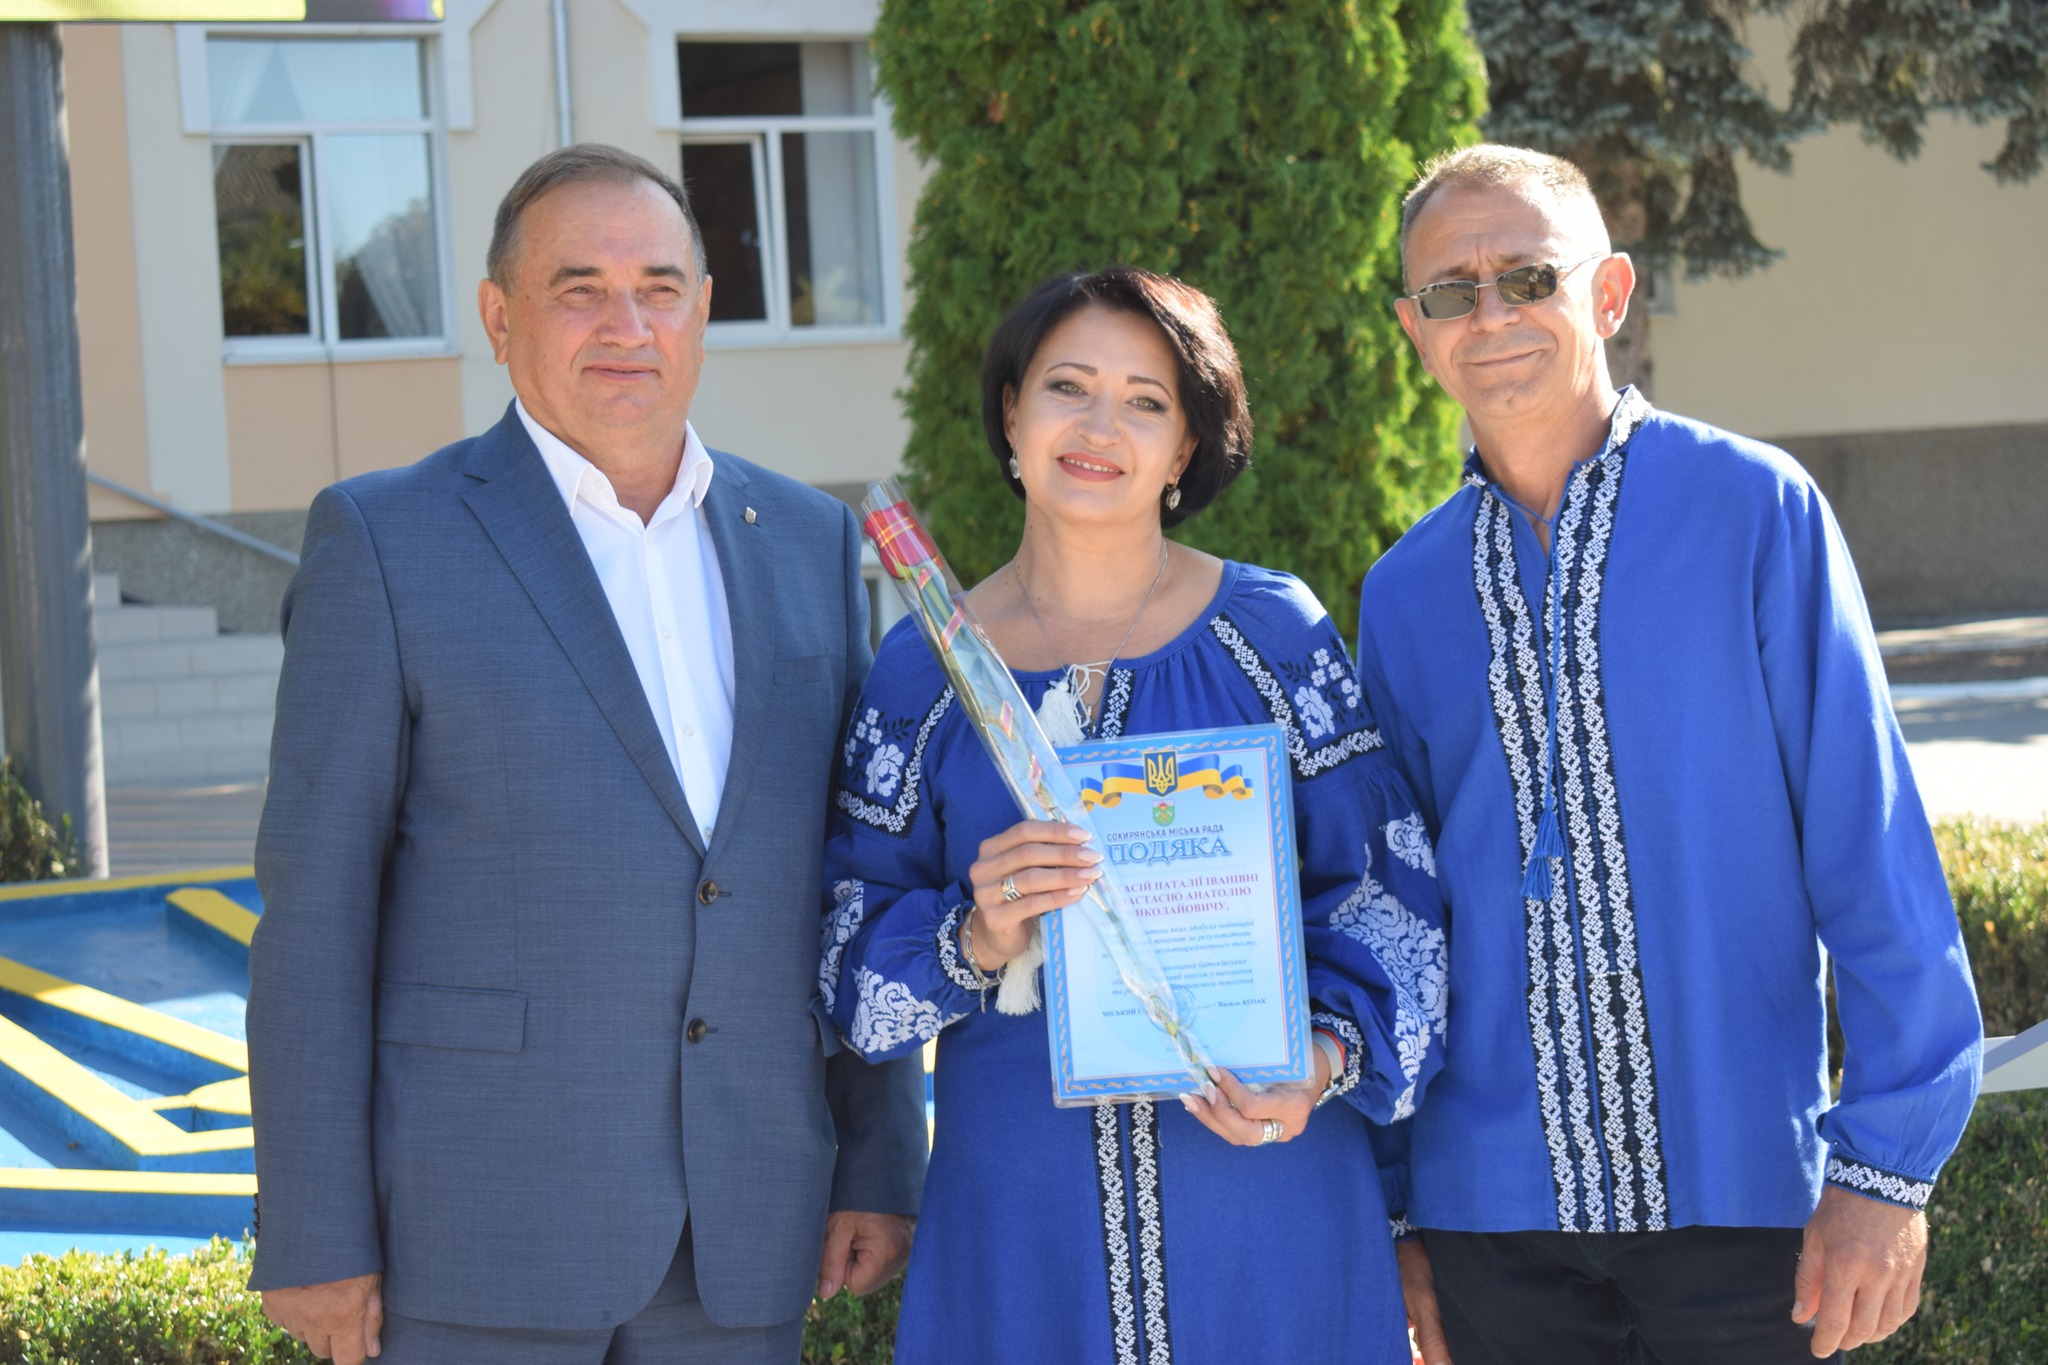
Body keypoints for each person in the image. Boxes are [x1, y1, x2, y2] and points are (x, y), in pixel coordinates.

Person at [245, 144, 927, 1365]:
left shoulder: (809, 543)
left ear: (702, 310)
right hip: (475, 1238)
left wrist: (878, 1157)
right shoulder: (385, 542)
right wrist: (313, 1228)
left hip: (744, 1234)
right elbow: (316, 911)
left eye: (658, 287)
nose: (627, 325)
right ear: (498, 317)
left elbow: (852, 875)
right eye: (579, 289)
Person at [1356, 143, 1983, 1365]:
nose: (1489, 315)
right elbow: (1394, 918)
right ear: (1413, 329)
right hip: (1489, 1223)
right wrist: (1395, 1211)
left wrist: (1885, 1168)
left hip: (1742, 1203)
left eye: (1526, 277)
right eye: (1449, 291)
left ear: (1606, 293)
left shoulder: (1755, 510)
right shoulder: (1403, 591)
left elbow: (1867, 846)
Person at [821, 266, 1448, 1364]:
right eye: (1067, 386)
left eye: (1146, 400)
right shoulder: (922, 671)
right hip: (1023, 1229)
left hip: (1267, 1203)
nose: (1100, 426)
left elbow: (1388, 902)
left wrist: (1318, 1058)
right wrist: (974, 936)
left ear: (1187, 447)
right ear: (1011, 413)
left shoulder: (1275, 634)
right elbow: (847, 971)